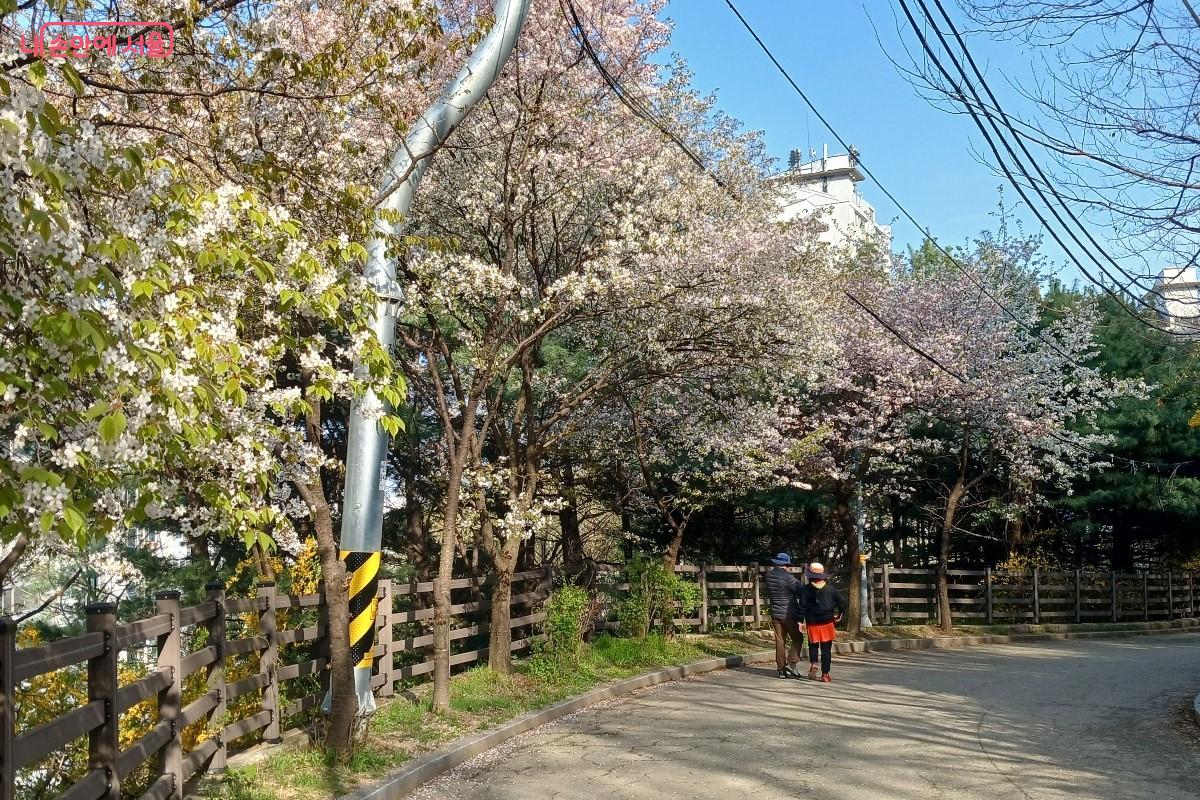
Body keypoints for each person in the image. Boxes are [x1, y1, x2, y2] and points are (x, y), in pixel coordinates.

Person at [797, 561, 848, 683]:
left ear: (810, 575)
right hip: (827, 622)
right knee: (826, 649)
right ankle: (825, 674)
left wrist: (800, 621)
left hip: (812, 622)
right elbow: (843, 602)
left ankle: (814, 663)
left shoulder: (805, 589)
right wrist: (840, 613)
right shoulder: (831, 589)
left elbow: (802, 607)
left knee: (813, 645)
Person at [763, 552, 805, 678]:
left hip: (775, 614)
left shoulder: (769, 576)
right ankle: (792, 663)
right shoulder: (789, 578)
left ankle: (781, 670)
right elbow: (801, 590)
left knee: (780, 641)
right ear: (786, 564)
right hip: (790, 613)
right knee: (798, 638)